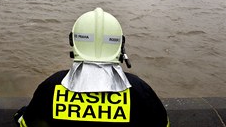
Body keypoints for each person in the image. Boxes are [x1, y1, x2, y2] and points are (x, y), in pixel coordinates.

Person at [14, 7, 170, 127]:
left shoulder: (51, 87)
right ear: (120, 45)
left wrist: (23, 113)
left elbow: (26, 123)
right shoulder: (139, 90)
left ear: (73, 42)